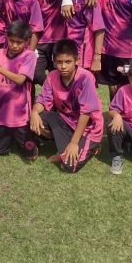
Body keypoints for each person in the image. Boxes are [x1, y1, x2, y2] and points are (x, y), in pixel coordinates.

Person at [30, 40, 104, 173]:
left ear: (77, 60)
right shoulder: (52, 76)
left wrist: (74, 143)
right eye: (59, 62)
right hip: (66, 120)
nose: (63, 66)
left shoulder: (86, 78)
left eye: (68, 62)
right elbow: (43, 100)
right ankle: (66, 143)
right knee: (36, 118)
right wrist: (34, 112)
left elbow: (85, 113)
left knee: (68, 166)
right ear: (54, 61)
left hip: (89, 126)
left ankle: (89, 143)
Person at [0, 21, 38, 162]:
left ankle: (20, 138)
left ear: (27, 41)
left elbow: (20, 80)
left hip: (21, 116)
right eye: (11, 41)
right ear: (6, 37)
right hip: (1, 115)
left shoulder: (29, 56)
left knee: (32, 157)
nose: (15, 45)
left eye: (19, 42)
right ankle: (6, 139)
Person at [64, 0, 105, 74]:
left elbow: (99, 29)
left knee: (84, 89)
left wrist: (97, 58)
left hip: (83, 54)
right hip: (67, 52)